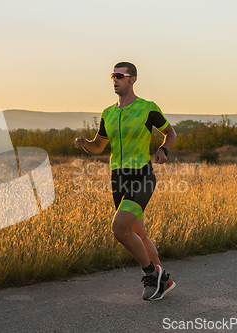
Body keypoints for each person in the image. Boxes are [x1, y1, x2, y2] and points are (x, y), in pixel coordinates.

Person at [74, 62, 177, 301]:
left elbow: (170, 133)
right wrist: (85, 144)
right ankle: (164, 280)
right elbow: (98, 146)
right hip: (118, 178)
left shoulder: (147, 108)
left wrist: (164, 150)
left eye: (120, 76)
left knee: (119, 228)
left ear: (132, 79)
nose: (115, 79)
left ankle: (150, 274)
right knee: (137, 233)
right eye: (112, 75)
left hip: (141, 175)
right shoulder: (108, 113)